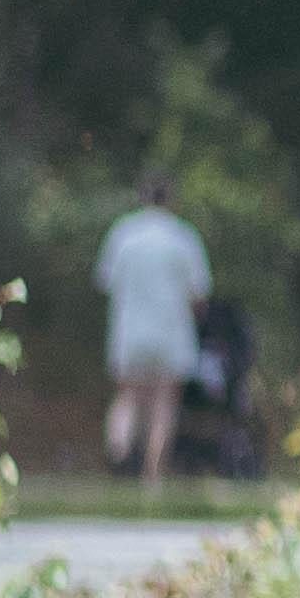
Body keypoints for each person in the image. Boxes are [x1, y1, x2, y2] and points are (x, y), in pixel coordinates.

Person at [94, 182, 214, 480]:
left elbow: (105, 281)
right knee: (164, 400)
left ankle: (119, 450)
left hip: (130, 328)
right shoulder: (183, 237)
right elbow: (199, 292)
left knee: (128, 395)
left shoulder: (123, 233)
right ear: (170, 200)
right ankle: (152, 471)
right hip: (171, 329)